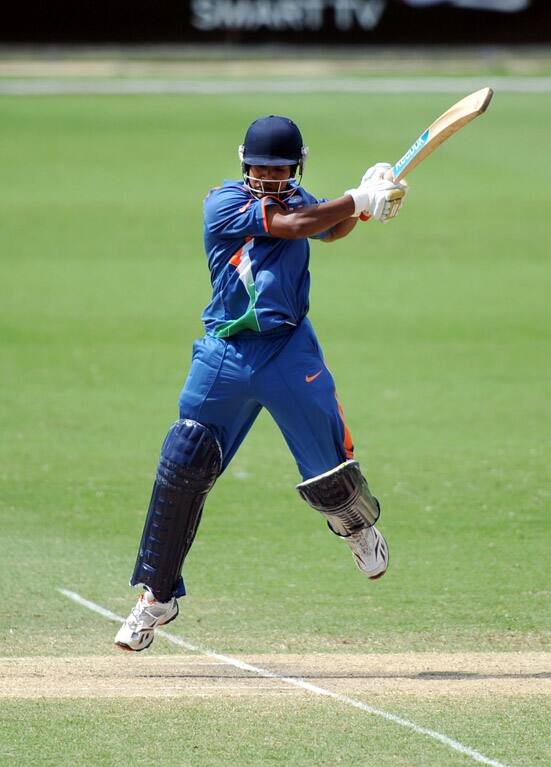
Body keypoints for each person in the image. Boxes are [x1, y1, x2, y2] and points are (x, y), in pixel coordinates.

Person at [114, 115, 409, 652]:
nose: (271, 178)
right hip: (225, 350)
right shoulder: (222, 202)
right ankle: (156, 597)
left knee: (329, 474)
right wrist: (355, 196)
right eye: (261, 168)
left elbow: (326, 226)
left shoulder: (300, 199)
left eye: (280, 169)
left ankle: (359, 530)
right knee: (185, 459)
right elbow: (294, 226)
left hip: (287, 349)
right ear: (244, 165)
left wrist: (368, 206)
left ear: (296, 167)